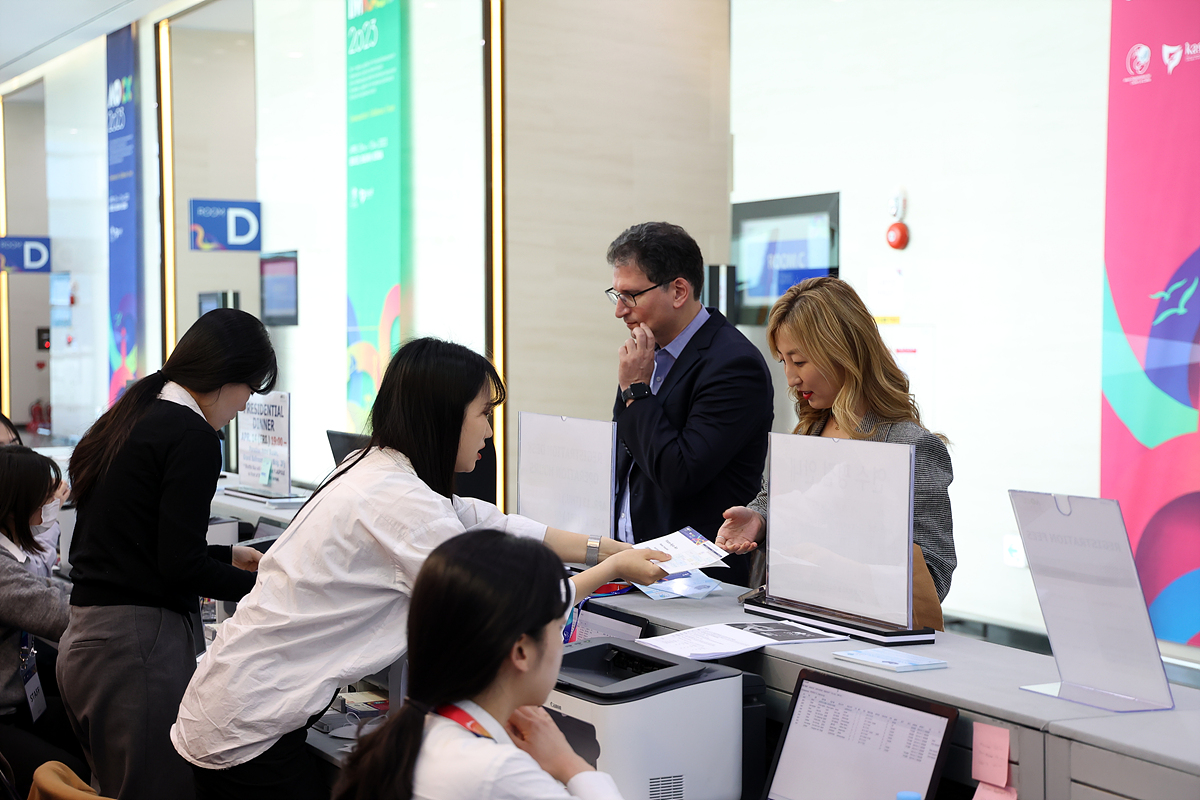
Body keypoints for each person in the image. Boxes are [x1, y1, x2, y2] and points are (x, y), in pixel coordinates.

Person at [172, 337, 667, 800]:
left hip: (239, 700)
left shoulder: (377, 466)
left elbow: (486, 521)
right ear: (443, 417)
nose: (489, 431)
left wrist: (604, 548)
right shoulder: (398, 502)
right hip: (248, 725)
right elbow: (507, 603)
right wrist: (612, 568)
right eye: (483, 414)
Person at [57, 309, 276, 800]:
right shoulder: (193, 435)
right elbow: (179, 565)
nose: (245, 405)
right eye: (250, 389)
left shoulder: (135, 414)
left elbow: (141, 541)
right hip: (135, 648)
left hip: (90, 641)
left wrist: (226, 556)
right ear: (227, 378)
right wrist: (268, 587)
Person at [715, 277, 955, 622]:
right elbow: (779, 501)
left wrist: (839, 569)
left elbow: (933, 577)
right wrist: (759, 519)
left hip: (868, 634)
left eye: (800, 361)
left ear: (842, 352)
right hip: (795, 620)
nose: (791, 378)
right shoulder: (809, 430)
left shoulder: (911, 445)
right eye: (783, 361)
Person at [333, 529, 624, 800]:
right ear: (521, 651)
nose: (562, 643)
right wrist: (567, 762)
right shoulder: (497, 771)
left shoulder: (415, 734)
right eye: (559, 628)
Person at [607, 222, 773, 586]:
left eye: (631, 295)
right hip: (633, 566)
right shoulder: (645, 353)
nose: (620, 310)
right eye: (616, 294)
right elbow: (627, 450)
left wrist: (637, 390)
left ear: (679, 291)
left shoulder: (733, 364)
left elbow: (679, 474)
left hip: (697, 583)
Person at [0, 446, 90, 795]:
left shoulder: (10, 552)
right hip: (6, 709)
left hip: (18, 696)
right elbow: (54, 611)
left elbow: (44, 587)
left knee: (85, 730)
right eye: (44, 497)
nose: (50, 504)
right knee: (70, 773)